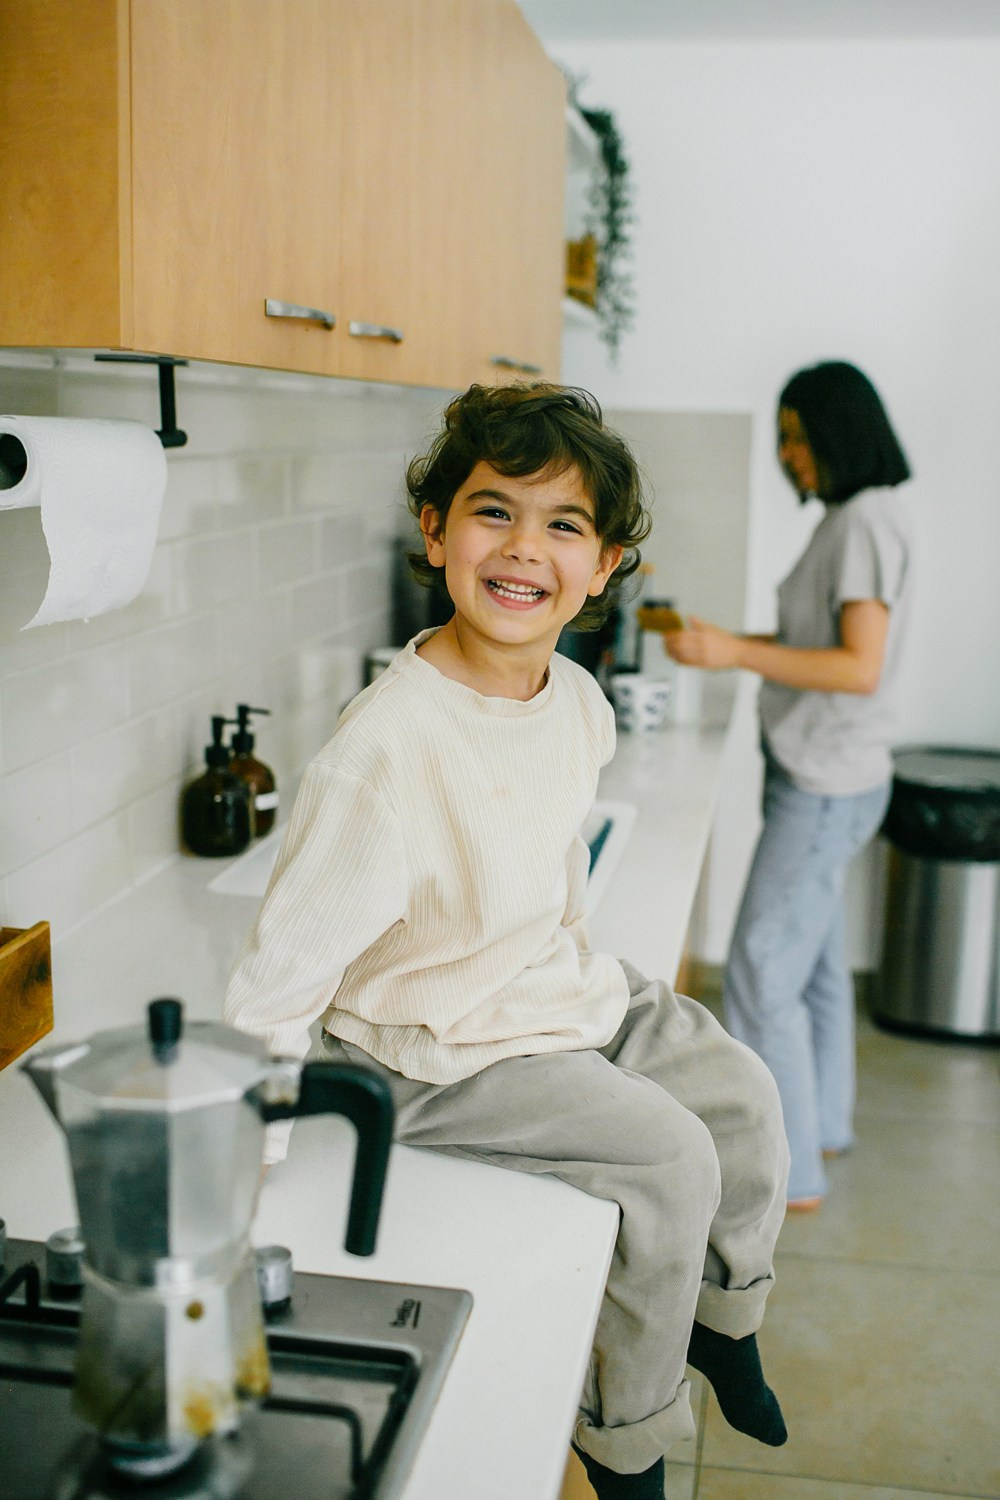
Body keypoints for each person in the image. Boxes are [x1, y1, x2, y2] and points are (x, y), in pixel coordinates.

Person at [224, 382, 790, 1500]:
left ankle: (723, 1323)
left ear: (607, 566)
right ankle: (626, 1440)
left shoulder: (576, 699)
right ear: (434, 532)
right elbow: (282, 970)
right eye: (494, 512)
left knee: (743, 1092)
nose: (524, 548)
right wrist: (249, 1161)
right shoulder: (384, 751)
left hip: (543, 987)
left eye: (563, 525)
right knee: (669, 1160)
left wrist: (595, 988)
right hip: (434, 1045)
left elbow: (554, 873)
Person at [654, 360, 913, 1213]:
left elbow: (857, 665)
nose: (788, 454)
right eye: (784, 436)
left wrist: (734, 654)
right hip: (828, 775)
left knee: (763, 968)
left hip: (825, 783)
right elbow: (818, 639)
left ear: (842, 431)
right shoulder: (852, 520)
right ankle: (823, 1127)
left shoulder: (863, 524)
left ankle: (788, 1175)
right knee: (814, 968)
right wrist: (733, 638)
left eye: (799, 436)